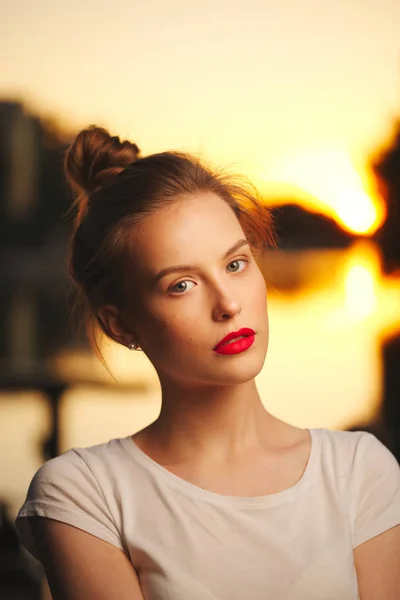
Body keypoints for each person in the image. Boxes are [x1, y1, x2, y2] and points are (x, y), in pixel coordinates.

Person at [16, 127, 400, 600]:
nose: (228, 305)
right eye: (181, 285)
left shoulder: (359, 472)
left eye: (235, 265)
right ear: (120, 325)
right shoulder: (85, 495)